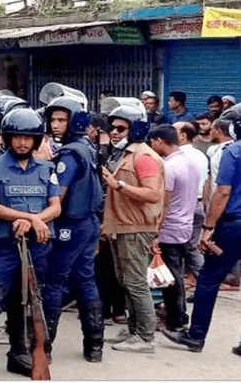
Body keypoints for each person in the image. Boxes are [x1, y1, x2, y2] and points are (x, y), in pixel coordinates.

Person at [0, 107, 61, 380]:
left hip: (38, 246)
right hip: (4, 245)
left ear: (37, 140)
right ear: (7, 137)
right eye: (17, 137)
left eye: (28, 138)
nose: (22, 143)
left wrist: (36, 221)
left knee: (27, 301)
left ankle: (19, 355)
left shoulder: (47, 168)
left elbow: (56, 206)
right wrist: (30, 218)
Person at [163, 104, 241, 353]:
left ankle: (196, 336)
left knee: (208, 279)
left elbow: (223, 192)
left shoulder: (233, 152)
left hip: (233, 224)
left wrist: (209, 228)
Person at [42, 97, 105, 363]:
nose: (56, 125)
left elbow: (59, 194)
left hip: (70, 224)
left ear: (74, 121)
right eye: (53, 119)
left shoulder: (69, 154)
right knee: (86, 280)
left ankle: (44, 348)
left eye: (62, 120)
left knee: (55, 282)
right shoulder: (86, 147)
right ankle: (95, 347)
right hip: (89, 223)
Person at [100, 105, 164, 354]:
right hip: (124, 225)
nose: (114, 132)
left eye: (121, 128)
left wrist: (119, 185)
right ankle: (134, 328)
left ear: (135, 128)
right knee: (125, 281)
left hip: (136, 227)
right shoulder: (128, 153)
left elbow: (152, 193)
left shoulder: (144, 156)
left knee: (136, 283)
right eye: (112, 127)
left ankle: (145, 336)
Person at [147, 124, 200, 332]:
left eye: (153, 142)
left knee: (170, 277)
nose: (151, 145)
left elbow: (164, 202)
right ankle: (179, 314)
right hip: (185, 224)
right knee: (176, 272)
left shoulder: (168, 167)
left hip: (170, 227)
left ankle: (175, 319)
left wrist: (156, 230)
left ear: (161, 141)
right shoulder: (190, 162)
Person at [174, 121, 210, 279]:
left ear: (183, 135)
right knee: (189, 247)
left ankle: (204, 281)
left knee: (179, 248)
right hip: (197, 203)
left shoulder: (180, 156)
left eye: (173, 130)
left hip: (182, 206)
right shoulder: (200, 155)